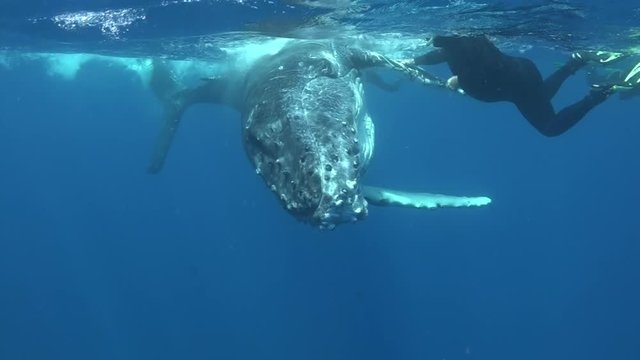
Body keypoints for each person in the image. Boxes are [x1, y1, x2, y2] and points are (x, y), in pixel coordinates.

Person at [409, 35, 629, 137]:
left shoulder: (464, 60)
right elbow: (440, 53)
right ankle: (578, 60)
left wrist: (457, 79)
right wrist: (414, 61)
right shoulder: (463, 50)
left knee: (549, 127)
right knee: (539, 96)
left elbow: (447, 54)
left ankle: (601, 92)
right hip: (524, 71)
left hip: (511, 83)